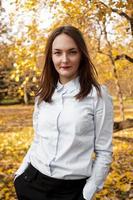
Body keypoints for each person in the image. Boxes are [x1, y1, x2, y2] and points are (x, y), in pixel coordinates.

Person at [14, 25, 114, 200]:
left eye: (72, 52)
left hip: (71, 191)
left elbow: (104, 151)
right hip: (32, 181)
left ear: (81, 55)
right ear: (50, 57)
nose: (64, 59)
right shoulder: (43, 94)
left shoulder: (98, 95)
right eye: (58, 53)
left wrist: (87, 194)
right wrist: (20, 174)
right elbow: (38, 140)